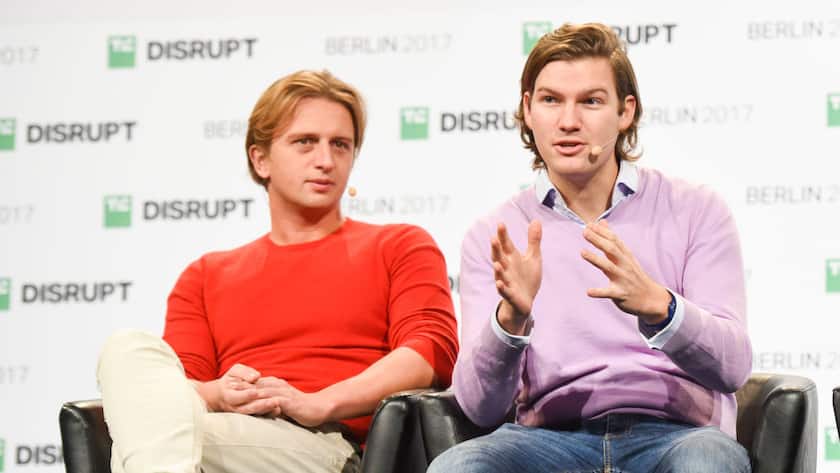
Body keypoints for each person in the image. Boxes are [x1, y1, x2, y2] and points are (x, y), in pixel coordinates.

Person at [96, 70, 459, 473]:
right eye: (305, 142)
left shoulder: (399, 245)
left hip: (327, 444)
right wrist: (219, 394)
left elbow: (430, 354)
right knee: (127, 349)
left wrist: (318, 402)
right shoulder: (205, 275)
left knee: (151, 443)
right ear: (261, 158)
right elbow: (181, 388)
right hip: (224, 430)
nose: (325, 160)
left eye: (340, 145)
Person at [429, 23, 751, 473]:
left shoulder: (696, 209)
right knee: (458, 468)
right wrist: (510, 321)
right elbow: (479, 408)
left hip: (678, 436)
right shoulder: (496, 234)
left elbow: (733, 366)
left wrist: (660, 306)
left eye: (591, 101)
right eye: (550, 100)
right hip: (546, 441)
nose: (568, 121)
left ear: (625, 111)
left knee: (705, 464)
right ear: (528, 109)